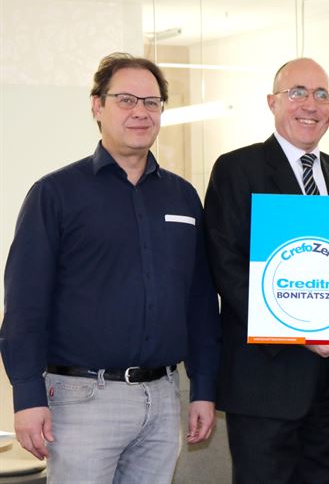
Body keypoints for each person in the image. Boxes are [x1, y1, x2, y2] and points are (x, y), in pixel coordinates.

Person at [0, 52, 221, 484]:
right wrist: (27, 395)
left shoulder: (182, 197)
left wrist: (204, 388)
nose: (141, 111)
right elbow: (25, 303)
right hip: (82, 398)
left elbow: (199, 302)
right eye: (126, 100)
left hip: (163, 397)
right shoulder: (55, 194)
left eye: (152, 102)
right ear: (97, 106)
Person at [204, 57, 329, 484]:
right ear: (272, 102)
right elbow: (227, 269)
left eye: (321, 94)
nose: (310, 104)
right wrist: (300, 333)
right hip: (267, 380)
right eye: (297, 92)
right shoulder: (237, 169)